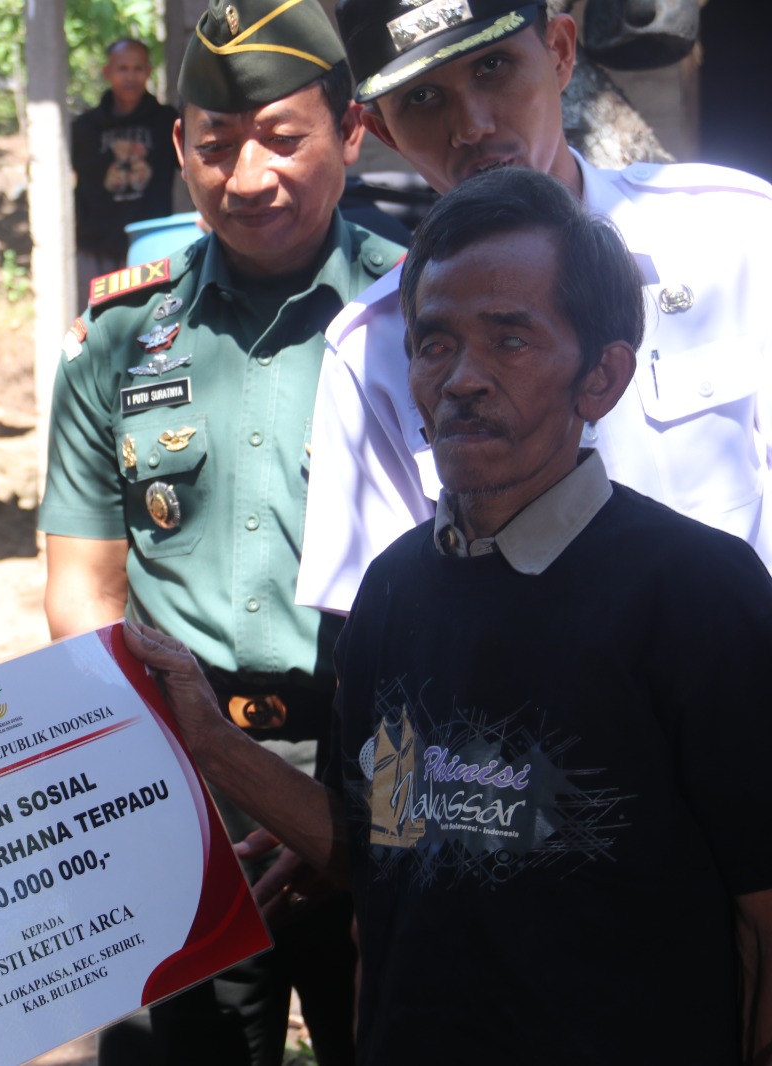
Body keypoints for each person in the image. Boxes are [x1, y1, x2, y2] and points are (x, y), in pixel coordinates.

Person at [127, 165, 772, 1066]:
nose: (462, 379)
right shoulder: (392, 593)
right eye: (434, 344)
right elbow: (386, 852)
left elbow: (762, 918)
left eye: (510, 341)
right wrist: (210, 739)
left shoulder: (701, 596)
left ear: (603, 377)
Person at [40, 1, 405, 1061]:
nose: (247, 177)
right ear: (178, 149)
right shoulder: (117, 335)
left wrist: (334, 807)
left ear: (351, 132)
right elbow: (84, 587)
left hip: (383, 764)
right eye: (215, 145)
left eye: (283, 140)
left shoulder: (419, 311)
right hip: (181, 770)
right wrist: (153, 769)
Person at [296, 0, 772, 614]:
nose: (470, 124)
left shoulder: (733, 236)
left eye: (493, 65)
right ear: (382, 129)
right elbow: (393, 631)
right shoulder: (373, 350)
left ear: (560, 53)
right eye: (422, 98)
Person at [71, 37, 180, 310]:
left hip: (150, 246)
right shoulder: (84, 128)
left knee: (150, 324)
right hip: (97, 247)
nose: (130, 76)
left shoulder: (166, 122)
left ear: (148, 71)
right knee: (98, 325)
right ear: (108, 72)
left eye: (137, 68)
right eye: (122, 69)